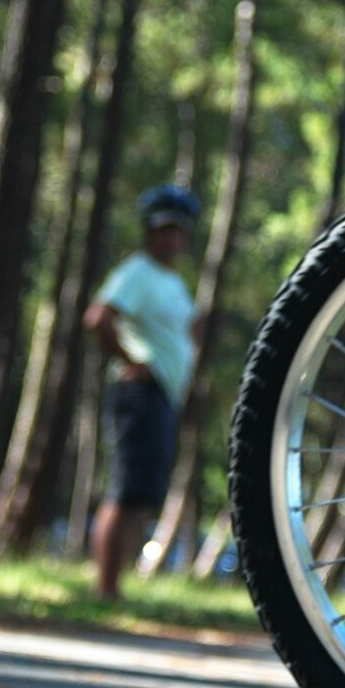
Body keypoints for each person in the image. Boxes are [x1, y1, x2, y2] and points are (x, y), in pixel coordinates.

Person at [83, 184, 202, 600]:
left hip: (163, 397)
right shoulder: (137, 271)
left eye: (178, 230)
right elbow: (99, 317)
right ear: (149, 231)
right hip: (140, 394)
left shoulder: (172, 281)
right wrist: (133, 360)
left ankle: (115, 588)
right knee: (124, 490)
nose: (171, 238)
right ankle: (106, 589)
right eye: (163, 229)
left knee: (140, 496)